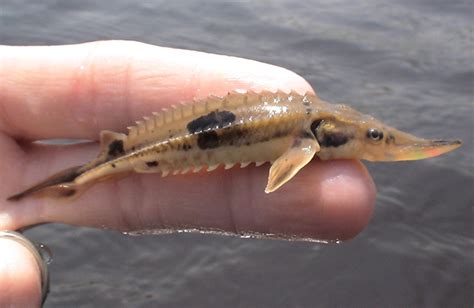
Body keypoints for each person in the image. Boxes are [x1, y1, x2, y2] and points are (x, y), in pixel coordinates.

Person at [0, 41, 376, 306]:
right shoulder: (306, 142)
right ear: (327, 133)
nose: (373, 141)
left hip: (145, 152)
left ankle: (74, 181)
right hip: (145, 152)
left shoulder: (313, 129)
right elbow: (280, 173)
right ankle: (76, 181)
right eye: (372, 137)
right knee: (98, 172)